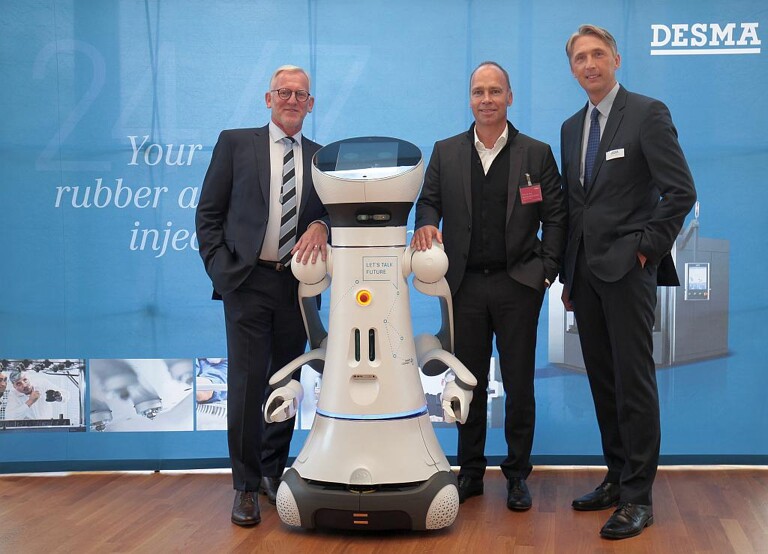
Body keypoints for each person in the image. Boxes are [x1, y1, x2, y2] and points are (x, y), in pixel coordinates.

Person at [560, 25, 696, 539]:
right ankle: (616, 479)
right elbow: (577, 207)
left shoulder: (648, 112)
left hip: (629, 273)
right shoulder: (573, 127)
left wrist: (644, 249)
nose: (590, 64)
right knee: (603, 382)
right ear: (572, 68)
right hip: (586, 278)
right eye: (580, 57)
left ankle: (639, 497)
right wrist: (569, 276)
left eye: (598, 54)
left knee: (634, 384)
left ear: (616, 58)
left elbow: (679, 193)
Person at [412, 61, 566, 511]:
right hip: (463, 289)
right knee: (467, 381)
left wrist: (546, 270)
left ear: (509, 97)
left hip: (519, 285)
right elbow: (429, 202)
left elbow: (556, 216)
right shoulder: (446, 151)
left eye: (494, 91)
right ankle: (471, 472)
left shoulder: (535, 154)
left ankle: (517, 476)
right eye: (478, 91)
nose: (486, 99)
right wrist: (424, 226)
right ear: (470, 98)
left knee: (520, 384)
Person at [195, 65, 329, 527]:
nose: (292, 99)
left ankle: (274, 473)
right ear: (268, 98)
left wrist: (320, 225)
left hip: (296, 288)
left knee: (284, 384)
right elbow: (208, 214)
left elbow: (331, 214)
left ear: (311, 104)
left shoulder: (319, 158)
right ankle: (246, 486)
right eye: (283, 92)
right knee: (249, 386)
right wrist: (222, 270)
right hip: (247, 284)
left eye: (301, 94)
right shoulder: (235, 143)